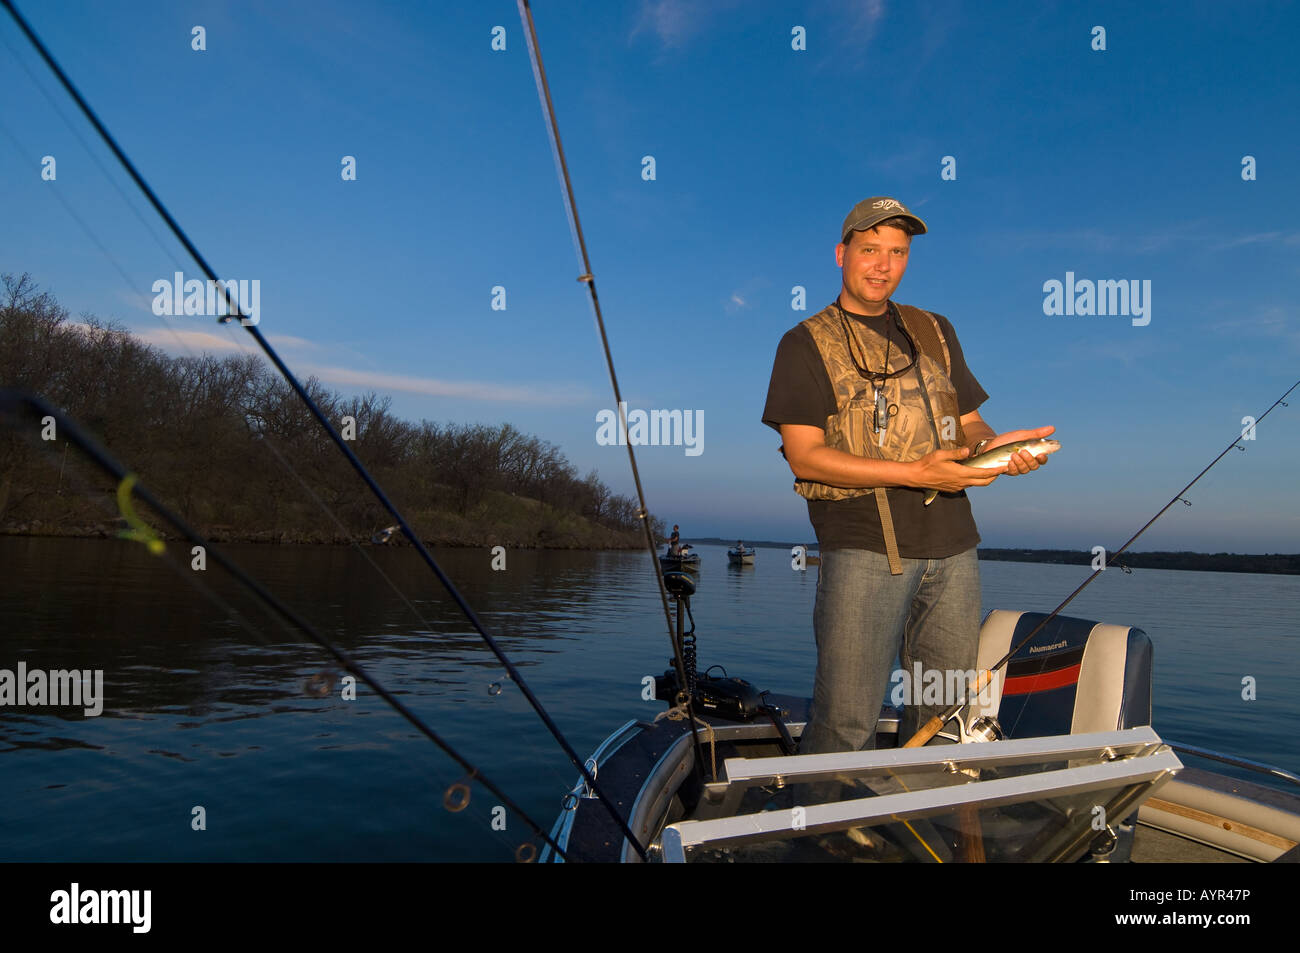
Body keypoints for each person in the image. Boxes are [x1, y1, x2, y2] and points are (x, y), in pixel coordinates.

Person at [761, 196, 1053, 755]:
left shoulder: (934, 329)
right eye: (870, 250)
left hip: (954, 550)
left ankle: (920, 834)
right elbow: (805, 456)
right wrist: (915, 471)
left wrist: (997, 448)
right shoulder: (803, 343)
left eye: (897, 252)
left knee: (942, 717)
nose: (883, 265)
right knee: (847, 721)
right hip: (862, 550)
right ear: (841, 254)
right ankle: (826, 832)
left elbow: (968, 423)